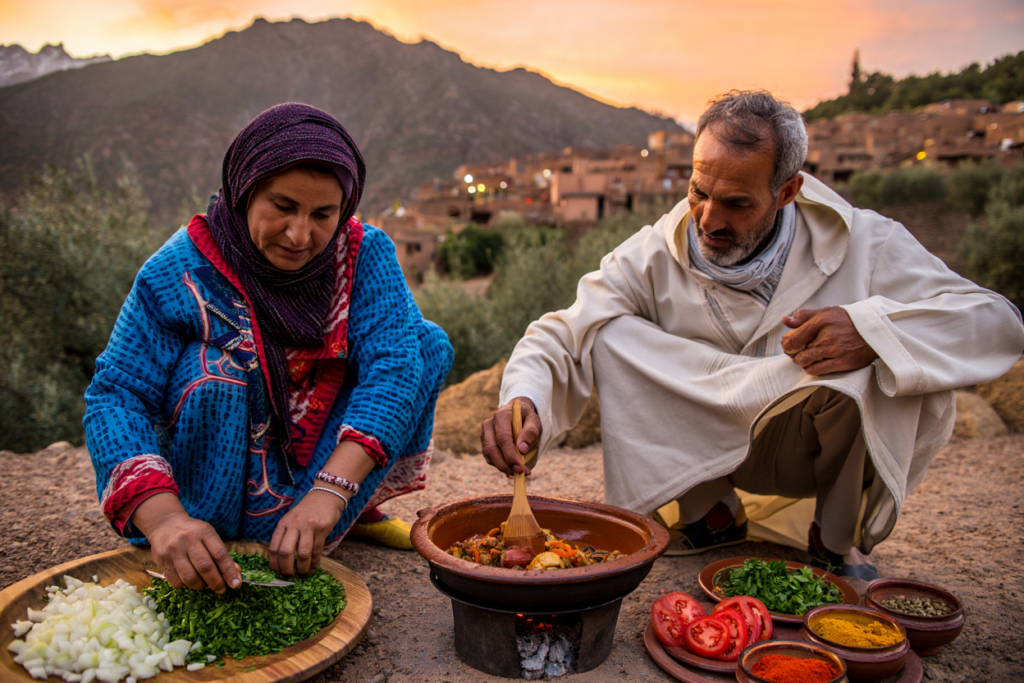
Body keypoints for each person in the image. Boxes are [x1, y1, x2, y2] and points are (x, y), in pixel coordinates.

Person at [480, 90, 1024, 579]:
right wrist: (522, 398)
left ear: (787, 191)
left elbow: (996, 320)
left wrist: (871, 330)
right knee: (610, 332)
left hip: (806, 451)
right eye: (699, 192)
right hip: (700, 449)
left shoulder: (865, 242)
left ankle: (833, 542)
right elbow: (563, 331)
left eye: (737, 204)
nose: (709, 219)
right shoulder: (653, 251)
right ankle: (711, 515)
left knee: (871, 350)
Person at [84, 103, 452, 593]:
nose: (301, 236)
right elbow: (117, 395)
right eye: (282, 206)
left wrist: (332, 491)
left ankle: (345, 510)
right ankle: (206, 541)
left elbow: (395, 368)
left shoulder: (365, 253)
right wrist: (165, 519)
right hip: (215, 490)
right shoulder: (178, 271)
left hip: (320, 468)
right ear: (244, 191)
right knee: (215, 369)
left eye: (323, 214)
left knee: (423, 343)